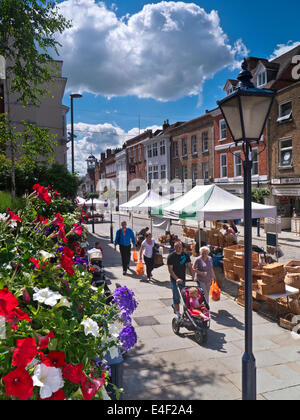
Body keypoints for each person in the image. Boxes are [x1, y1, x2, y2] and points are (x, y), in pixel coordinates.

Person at [167, 241, 194, 318]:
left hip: (183, 279)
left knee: (183, 296)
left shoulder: (185, 255)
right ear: (174, 248)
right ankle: (178, 313)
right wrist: (176, 279)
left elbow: (189, 266)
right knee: (176, 297)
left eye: (180, 247)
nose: (179, 249)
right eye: (177, 247)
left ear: (182, 247)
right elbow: (170, 270)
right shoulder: (171, 256)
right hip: (174, 279)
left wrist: (193, 276)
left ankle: (180, 309)